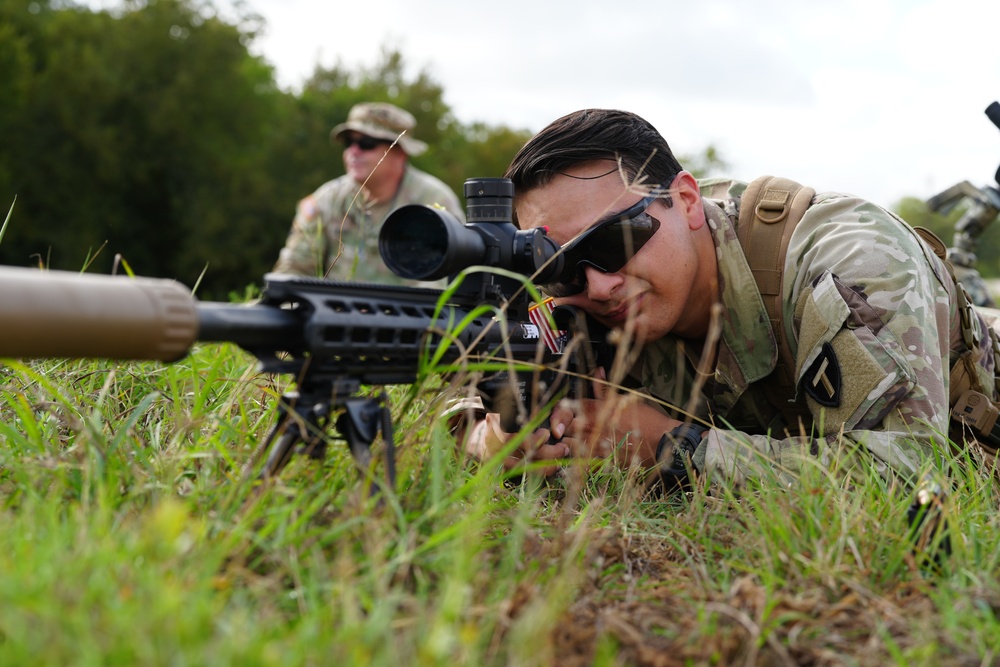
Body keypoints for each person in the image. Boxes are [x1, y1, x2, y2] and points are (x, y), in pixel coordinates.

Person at [462, 108, 1000, 490]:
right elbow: (463, 411)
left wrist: (672, 447)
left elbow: (908, 475)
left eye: (614, 242)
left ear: (687, 200)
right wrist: (497, 439)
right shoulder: (585, 303)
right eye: (562, 268)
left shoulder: (847, 259)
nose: (599, 285)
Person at [273, 102, 466, 283]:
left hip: (413, 316)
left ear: (400, 153)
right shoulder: (327, 199)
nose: (354, 151)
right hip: (335, 314)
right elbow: (294, 269)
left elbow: (449, 278)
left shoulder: (434, 200)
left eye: (367, 143)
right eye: (349, 142)